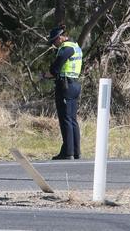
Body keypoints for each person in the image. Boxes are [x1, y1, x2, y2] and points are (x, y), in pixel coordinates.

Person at [41, 25, 83, 160]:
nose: (53, 44)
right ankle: (76, 151)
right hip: (75, 84)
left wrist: (45, 75)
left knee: (65, 119)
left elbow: (55, 68)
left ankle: (67, 152)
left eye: (54, 41)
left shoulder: (65, 49)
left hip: (65, 85)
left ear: (60, 38)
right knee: (72, 120)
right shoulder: (76, 46)